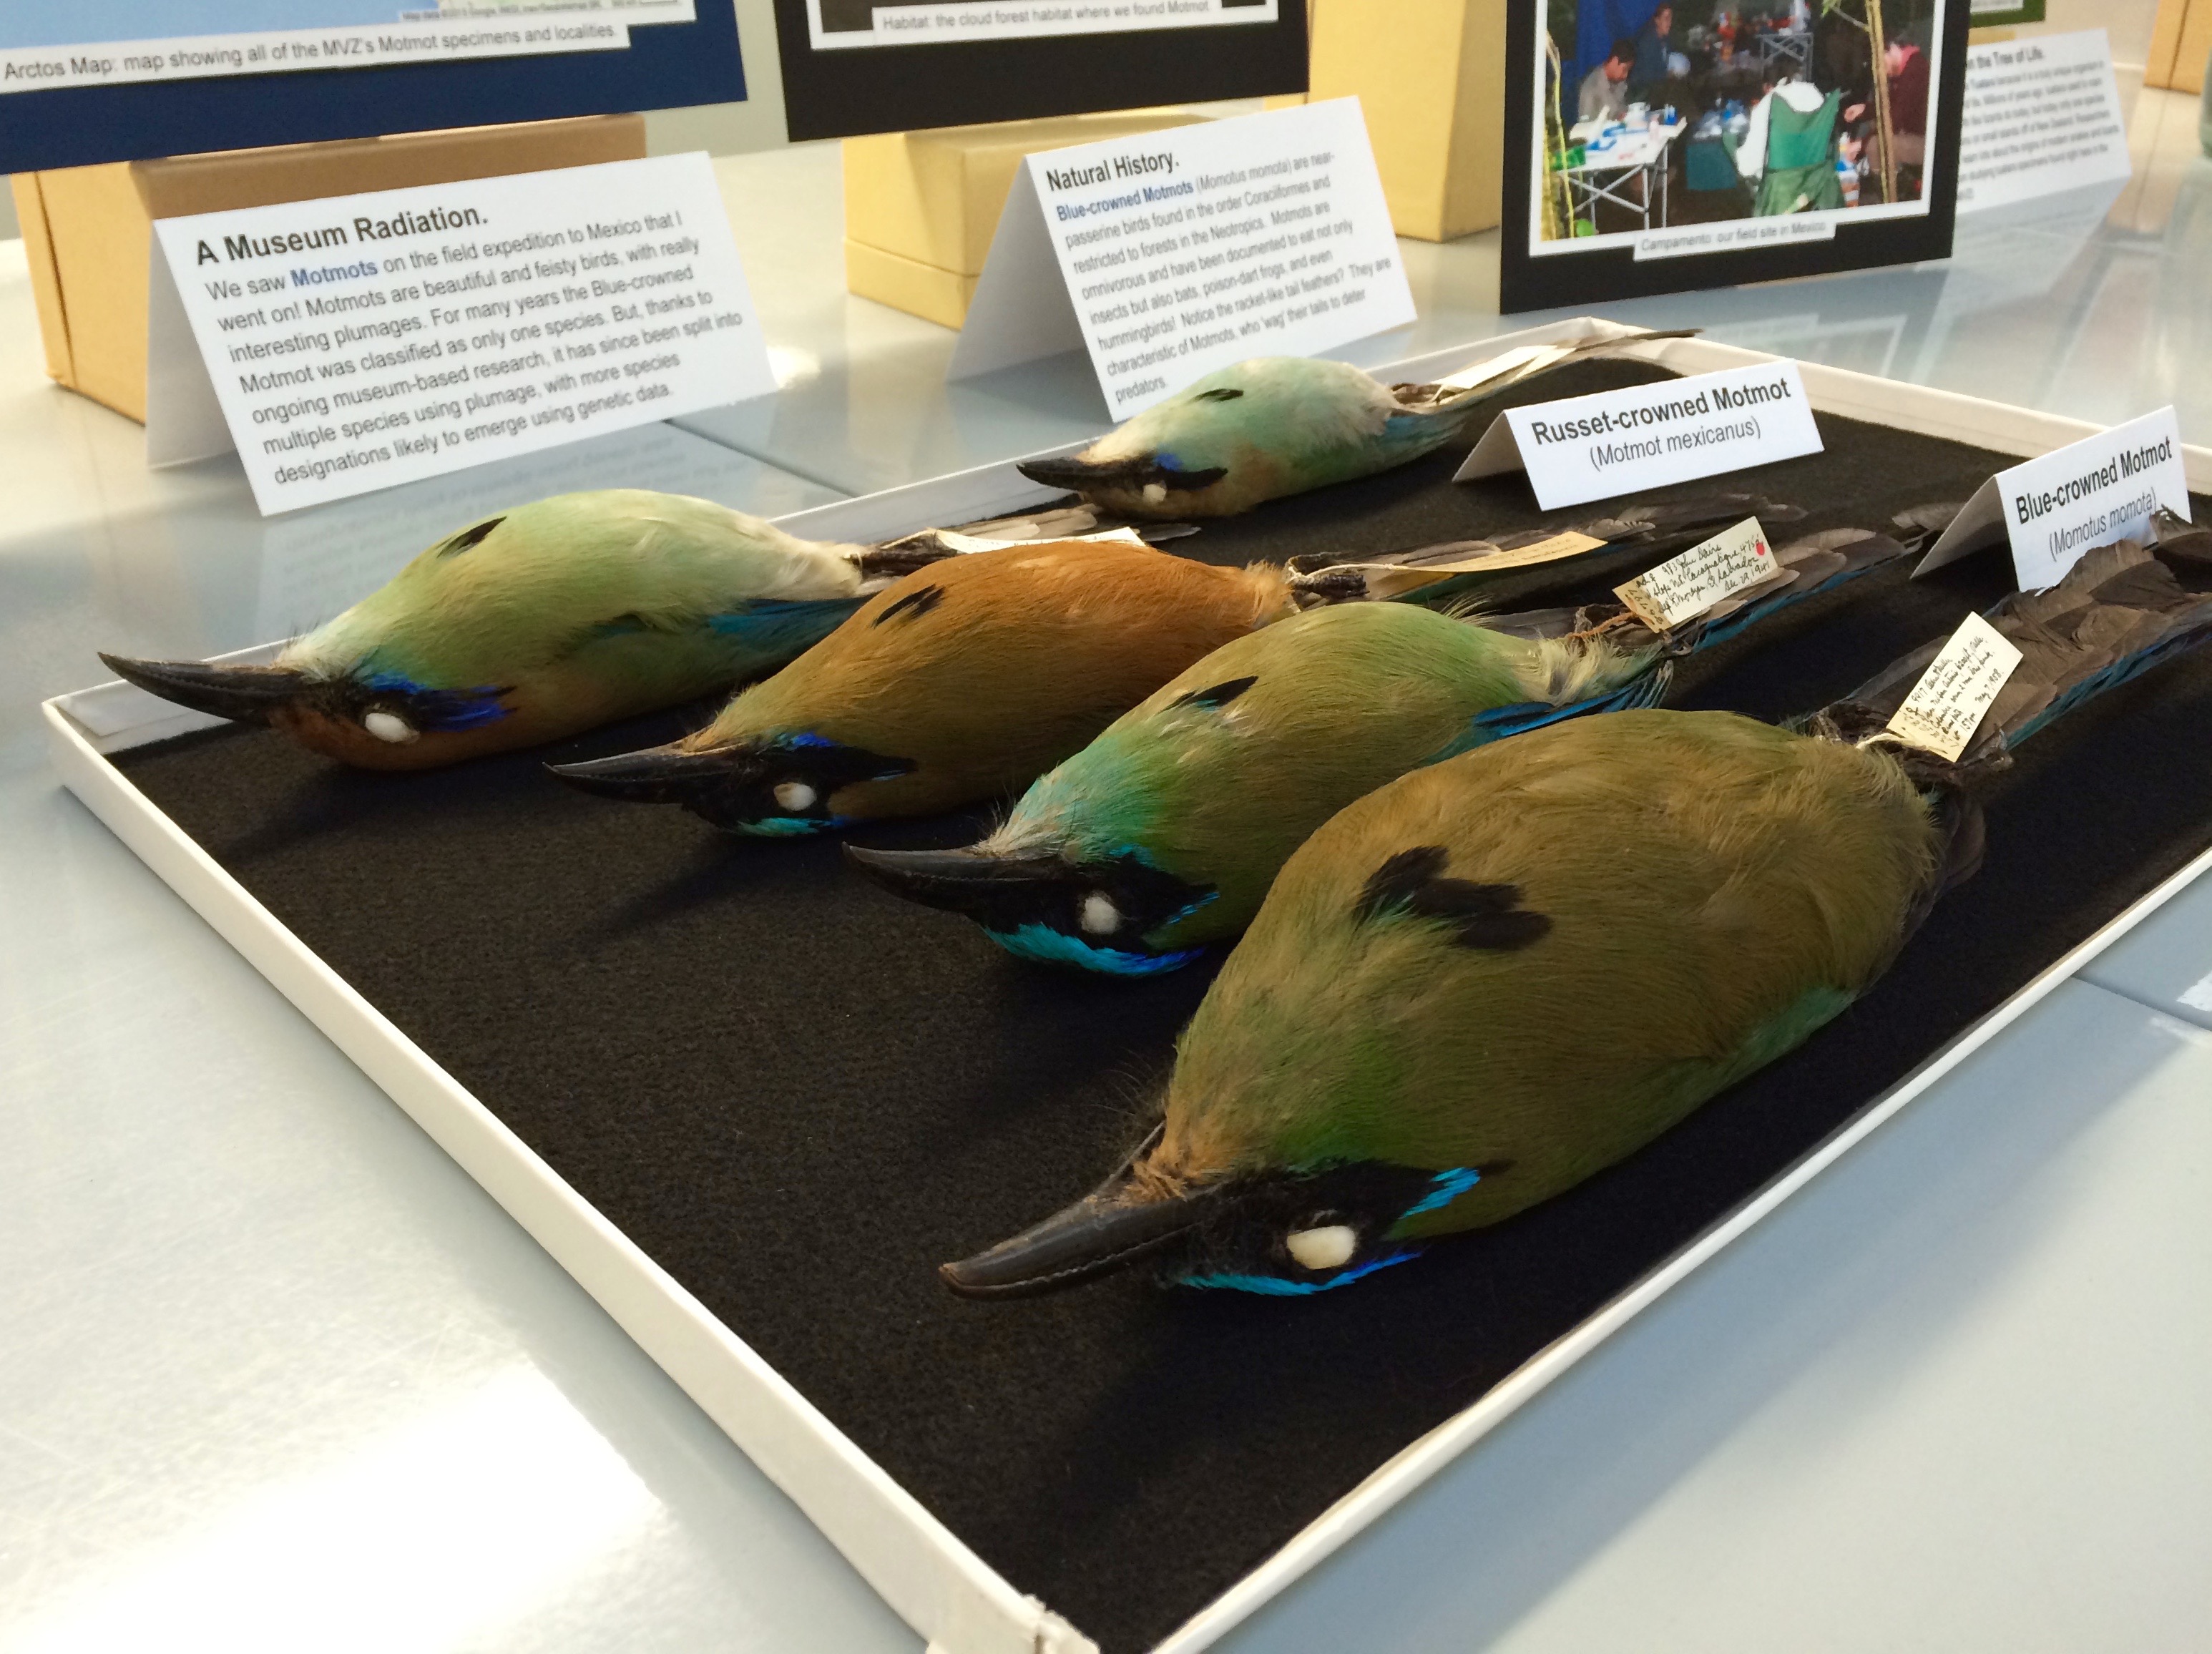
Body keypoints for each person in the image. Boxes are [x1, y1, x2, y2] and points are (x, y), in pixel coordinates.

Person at [1579, 38, 1635, 124]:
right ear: (1615, 61)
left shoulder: (1619, 82)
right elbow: (1585, 124)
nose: (1626, 75)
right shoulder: (1592, 88)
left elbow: (1623, 110)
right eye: (1624, 70)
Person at [1630, 4, 1675, 96]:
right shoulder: (1647, 43)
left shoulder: (1665, 39)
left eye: (1670, 18)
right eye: (1666, 18)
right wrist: (1668, 76)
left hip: (1658, 85)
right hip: (1642, 90)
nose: (1669, 23)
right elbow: (1649, 76)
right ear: (1657, 20)